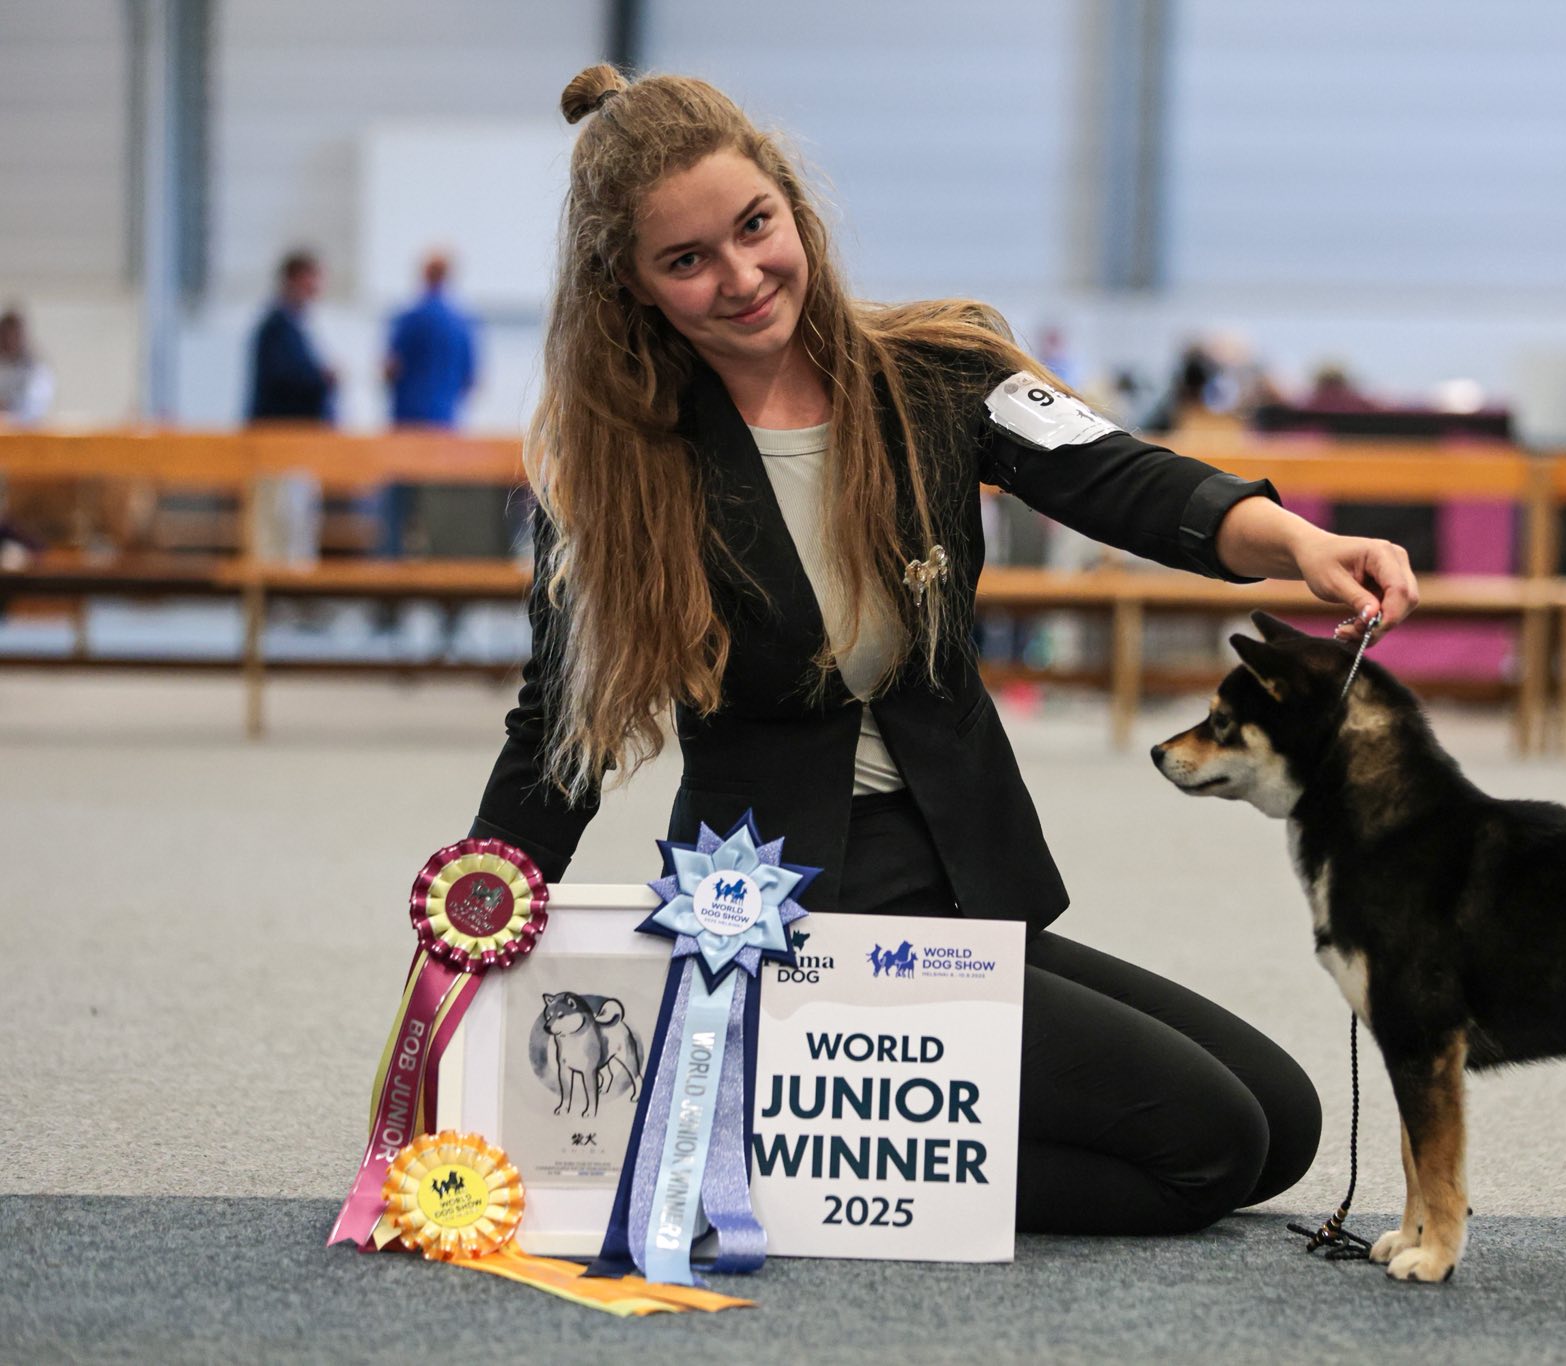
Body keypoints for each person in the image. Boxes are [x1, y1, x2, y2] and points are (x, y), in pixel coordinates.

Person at [468, 66, 1421, 1236]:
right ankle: (785, 1145)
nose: (740, 276)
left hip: (960, 884)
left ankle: (815, 1119)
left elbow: (1118, 473)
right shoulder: (612, 467)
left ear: (791, 206)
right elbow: (557, 730)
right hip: (786, 919)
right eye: (687, 260)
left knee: (1281, 1124)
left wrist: (1295, 542)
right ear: (633, 287)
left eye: (754, 227)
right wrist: (473, 929)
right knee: (1209, 1149)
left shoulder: (940, 373)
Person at [380, 252, 482, 561]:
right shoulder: (461, 323)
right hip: (444, 427)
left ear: (423, 275)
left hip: (406, 425)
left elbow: (390, 369)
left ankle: (389, 584)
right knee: (441, 510)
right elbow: (470, 380)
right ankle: (447, 592)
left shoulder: (408, 318)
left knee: (397, 511)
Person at [247, 250, 336, 422]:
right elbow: (284, 380)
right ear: (293, 280)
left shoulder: (295, 325)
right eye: (309, 279)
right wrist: (320, 378)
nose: (315, 286)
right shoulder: (276, 327)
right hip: (280, 427)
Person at [0, 308, 55, 425]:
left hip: (25, 434)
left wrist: (8, 407)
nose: (8, 340)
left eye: (13, 335)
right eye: (4, 335)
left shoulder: (36, 369)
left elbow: (35, 408)